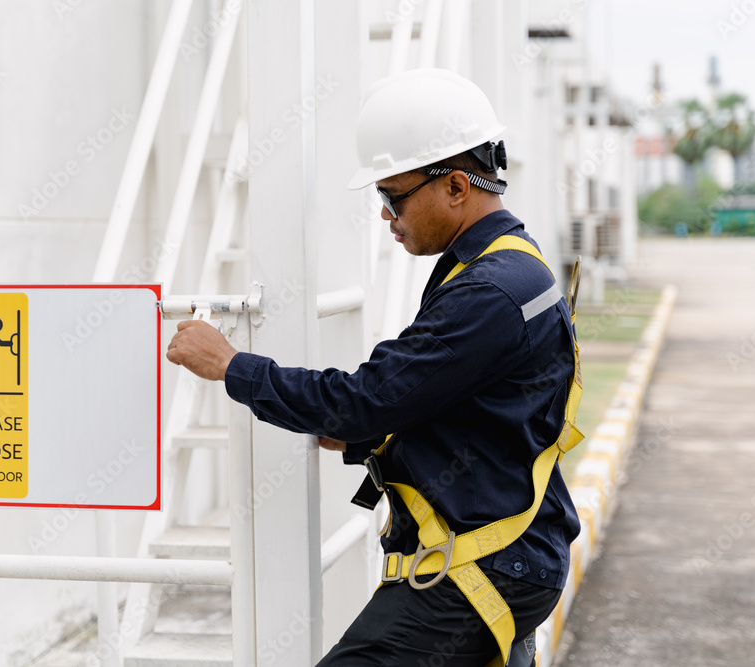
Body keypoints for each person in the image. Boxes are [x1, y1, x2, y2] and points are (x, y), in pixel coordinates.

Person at [166, 68, 582, 667]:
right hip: (507, 554)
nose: (387, 215)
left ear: (458, 187)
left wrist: (232, 365)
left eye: (393, 196)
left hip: (485, 565)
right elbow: (463, 402)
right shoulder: (507, 265)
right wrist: (372, 434)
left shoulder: (489, 291)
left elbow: (367, 397)